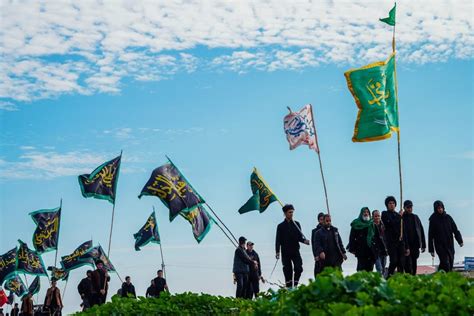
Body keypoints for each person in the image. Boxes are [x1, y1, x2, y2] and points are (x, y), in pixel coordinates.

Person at [275, 204, 310, 288]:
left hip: (295, 250)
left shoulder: (296, 224)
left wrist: (304, 241)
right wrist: (277, 251)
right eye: (289, 212)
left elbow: (299, 237)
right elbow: (278, 240)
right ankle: (289, 287)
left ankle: (295, 284)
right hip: (285, 252)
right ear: (285, 213)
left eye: (292, 212)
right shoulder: (280, 226)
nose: (291, 214)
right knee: (287, 270)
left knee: (299, 268)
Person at [428, 200, 463, 272]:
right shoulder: (433, 220)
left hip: (449, 245)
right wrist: (431, 249)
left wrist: (460, 240)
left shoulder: (448, 218)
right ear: (435, 209)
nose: (440, 209)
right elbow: (430, 236)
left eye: (441, 207)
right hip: (439, 245)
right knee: (446, 262)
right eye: (438, 208)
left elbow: (455, 230)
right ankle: (446, 277)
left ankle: (440, 274)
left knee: (450, 262)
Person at [382, 196, 409, 277]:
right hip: (391, 242)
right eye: (390, 203)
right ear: (387, 205)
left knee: (401, 262)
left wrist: (407, 246)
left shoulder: (399, 215)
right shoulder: (385, 214)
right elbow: (391, 224)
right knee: (394, 261)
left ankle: (400, 280)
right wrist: (399, 216)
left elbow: (404, 231)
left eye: (393, 203)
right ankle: (388, 278)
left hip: (400, 242)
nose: (391, 205)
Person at [347, 207, 377, 271]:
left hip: (371, 251)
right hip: (361, 250)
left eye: (367, 212)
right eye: (364, 212)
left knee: (370, 270)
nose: (366, 213)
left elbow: (377, 237)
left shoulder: (372, 224)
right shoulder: (356, 224)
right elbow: (352, 237)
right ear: (361, 213)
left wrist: (382, 249)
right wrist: (352, 249)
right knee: (361, 269)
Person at [402, 200, 426, 275]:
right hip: (406, 245)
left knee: (414, 263)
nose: (409, 209)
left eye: (411, 207)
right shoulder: (402, 218)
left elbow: (421, 231)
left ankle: (413, 278)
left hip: (415, 245)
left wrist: (423, 245)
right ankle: (409, 279)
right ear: (404, 208)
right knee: (408, 265)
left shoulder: (415, 217)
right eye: (408, 207)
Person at [372, 210, 388, 276]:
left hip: (384, 249)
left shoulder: (384, 226)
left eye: (378, 216)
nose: (377, 217)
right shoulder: (371, 226)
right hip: (376, 250)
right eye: (375, 216)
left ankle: (383, 282)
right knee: (379, 268)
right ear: (372, 217)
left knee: (383, 268)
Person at [311, 212, 325, 277]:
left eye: (323, 219)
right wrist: (315, 255)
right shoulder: (314, 231)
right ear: (318, 220)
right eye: (321, 219)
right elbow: (314, 245)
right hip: (318, 254)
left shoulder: (329, 230)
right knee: (318, 272)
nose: (322, 221)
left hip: (327, 255)